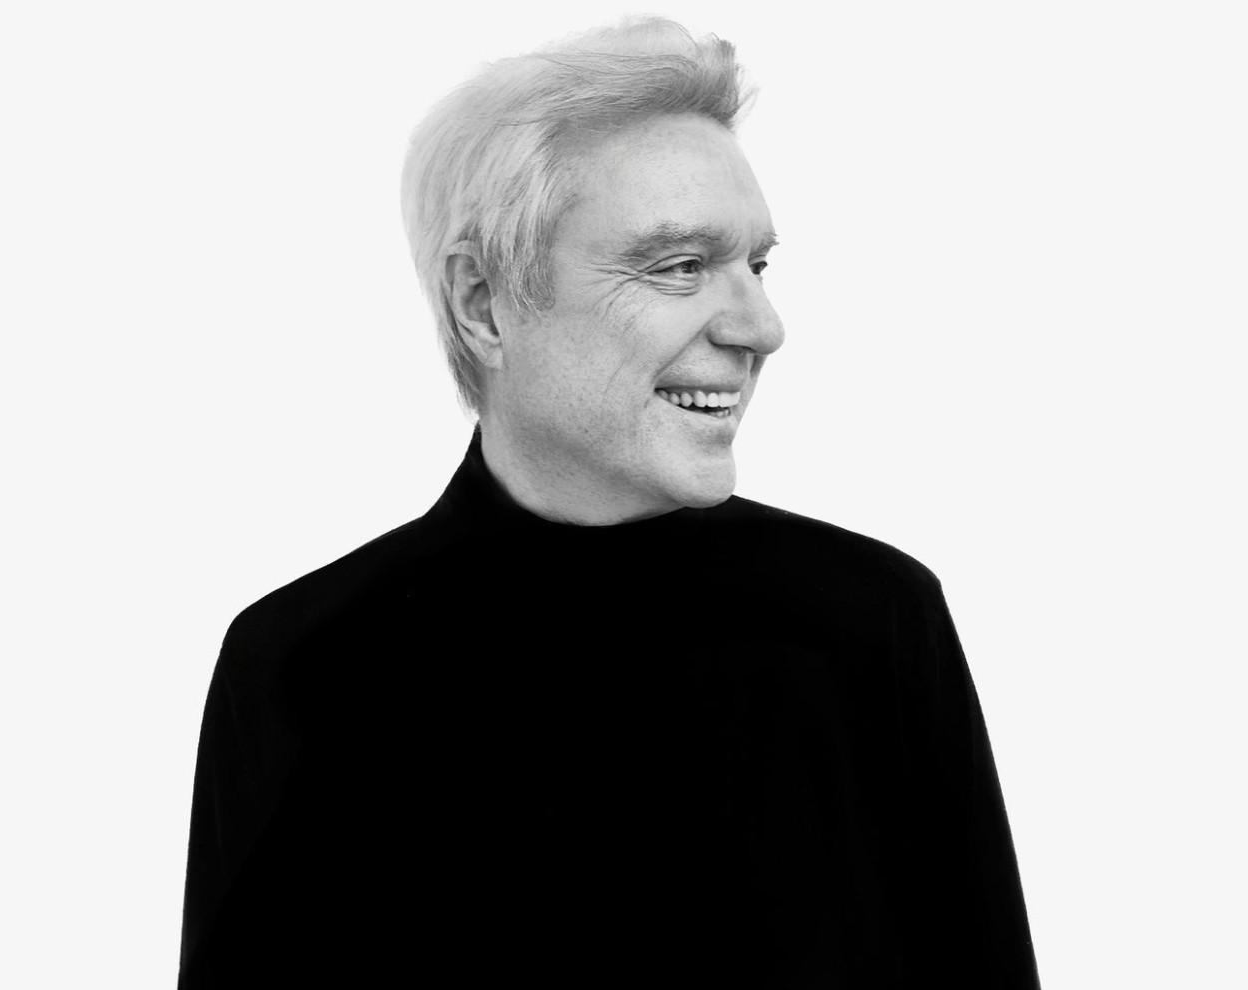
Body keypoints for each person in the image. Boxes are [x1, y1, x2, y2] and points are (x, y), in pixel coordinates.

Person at [179, 17, 1038, 988]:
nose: (762, 327)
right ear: (483, 302)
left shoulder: (870, 622)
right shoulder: (303, 665)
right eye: (678, 267)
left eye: (755, 266)